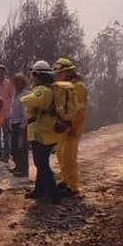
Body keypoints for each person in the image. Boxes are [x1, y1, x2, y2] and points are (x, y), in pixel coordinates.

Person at [21, 60, 62, 203]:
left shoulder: (43, 91)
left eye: (33, 74)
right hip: (43, 131)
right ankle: (39, 190)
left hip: (42, 133)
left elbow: (29, 101)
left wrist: (24, 96)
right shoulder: (48, 89)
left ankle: (53, 194)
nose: (32, 77)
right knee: (41, 163)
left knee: (42, 164)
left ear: (37, 75)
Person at [53, 57, 88, 196]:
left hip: (72, 127)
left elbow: (79, 110)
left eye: (60, 73)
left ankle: (73, 187)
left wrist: (73, 126)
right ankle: (65, 181)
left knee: (69, 158)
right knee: (61, 155)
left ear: (68, 72)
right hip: (63, 126)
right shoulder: (65, 86)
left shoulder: (78, 87)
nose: (58, 76)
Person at [8, 73, 29, 177]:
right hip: (14, 123)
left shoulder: (25, 95)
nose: (17, 83)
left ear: (23, 83)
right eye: (15, 81)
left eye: (19, 81)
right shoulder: (14, 94)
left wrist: (23, 126)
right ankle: (18, 166)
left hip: (21, 124)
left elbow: (26, 112)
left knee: (21, 147)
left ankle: (24, 170)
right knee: (14, 148)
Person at [0, 65, 15, 161]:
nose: (0, 74)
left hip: (6, 114)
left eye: (2, 72)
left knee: (6, 134)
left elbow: (12, 97)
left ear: (4, 73)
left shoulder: (9, 84)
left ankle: (6, 153)